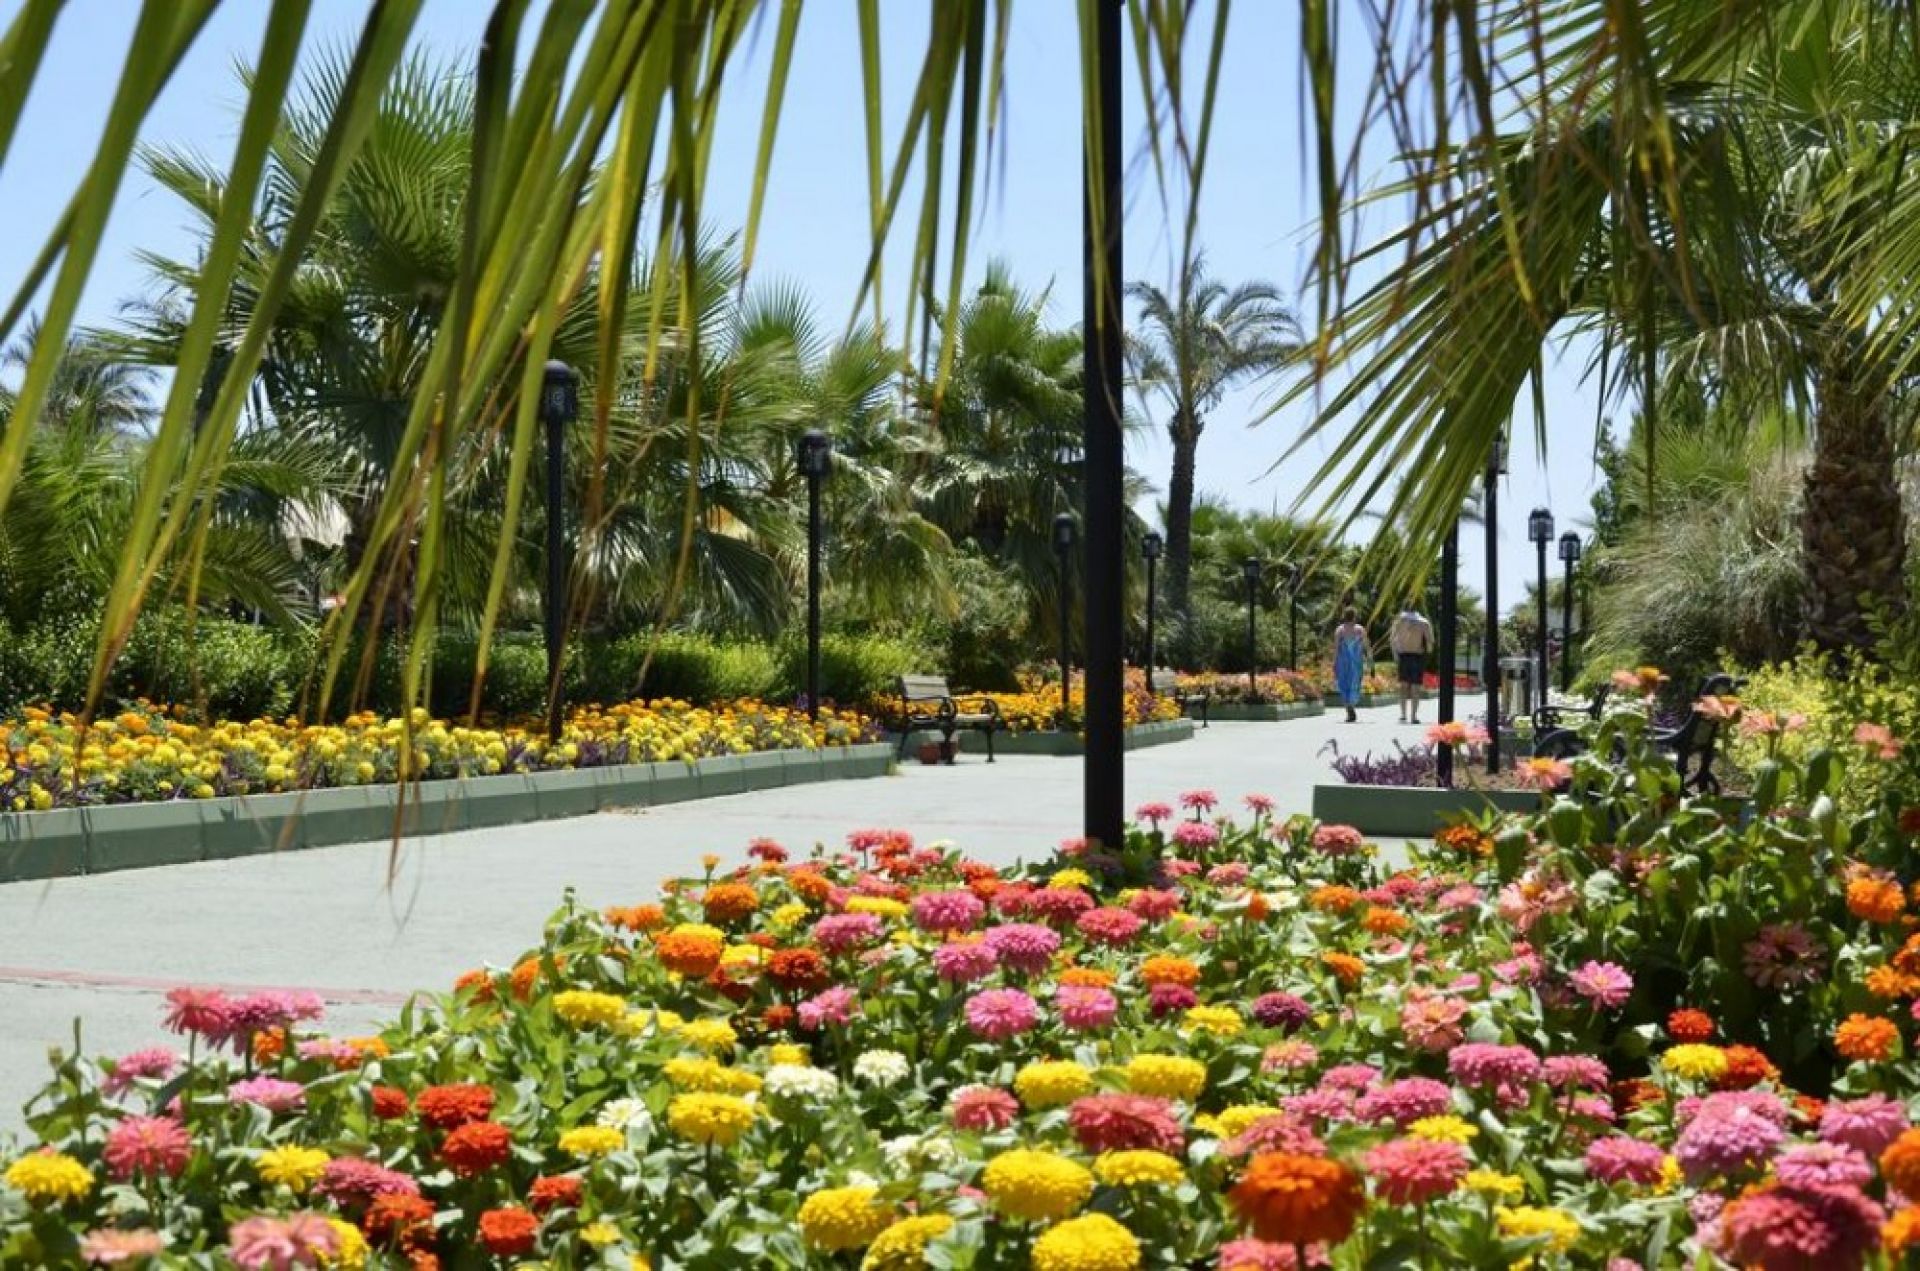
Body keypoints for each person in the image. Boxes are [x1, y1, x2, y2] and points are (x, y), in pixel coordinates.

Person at [1389, 605, 1435, 724]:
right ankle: (1413, 716)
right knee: (1415, 687)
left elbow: (1392, 640)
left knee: (1403, 687)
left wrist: (1395, 654)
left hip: (1403, 655)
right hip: (1417, 656)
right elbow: (1430, 641)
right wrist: (1427, 654)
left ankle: (1403, 715)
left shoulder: (1399, 621)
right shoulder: (1423, 622)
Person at [1332, 607, 1369, 723]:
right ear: (1354, 617)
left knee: (1343, 684)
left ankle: (1348, 708)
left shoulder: (1340, 630)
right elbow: (1366, 647)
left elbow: (1336, 648)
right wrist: (1370, 661)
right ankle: (1351, 705)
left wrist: (1334, 662)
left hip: (1343, 662)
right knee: (1355, 683)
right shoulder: (1360, 629)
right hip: (1356, 662)